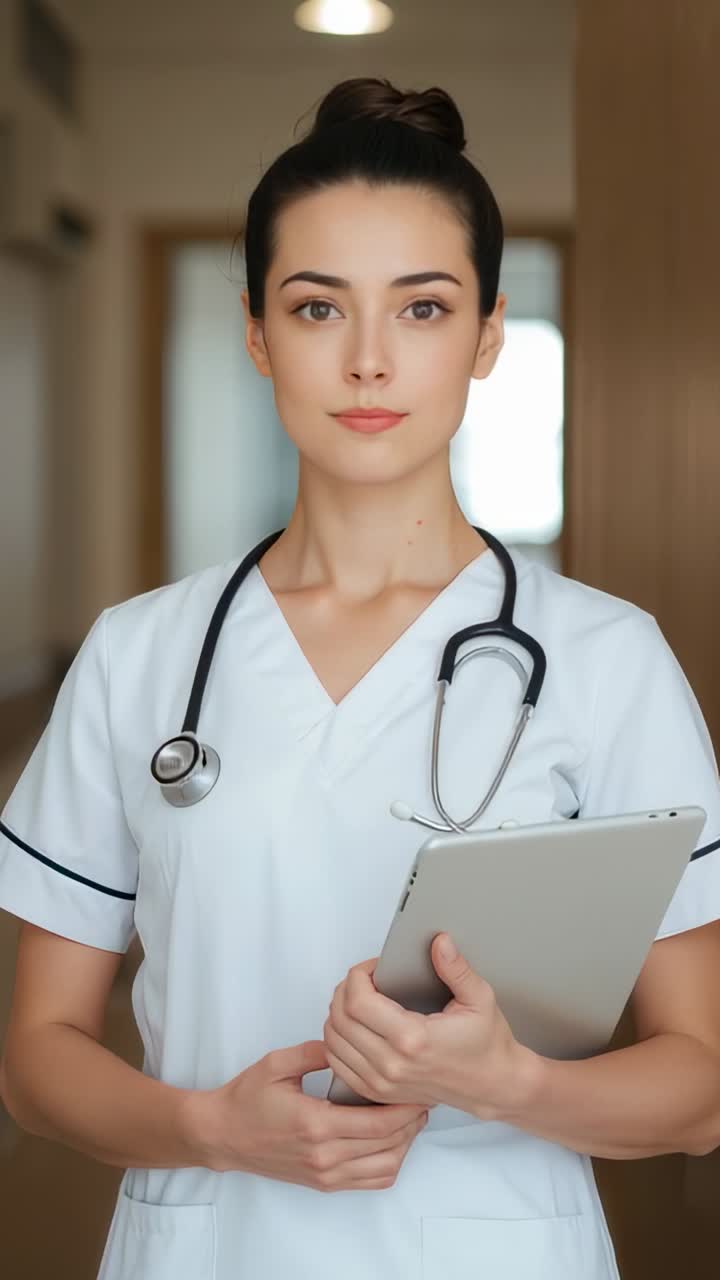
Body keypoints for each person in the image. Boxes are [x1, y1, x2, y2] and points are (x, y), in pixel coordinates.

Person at [1, 76, 719, 1280]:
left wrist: (512, 1081)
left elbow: (699, 1083)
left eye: (424, 308)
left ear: (488, 335)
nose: (372, 360)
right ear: (256, 330)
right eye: (319, 307)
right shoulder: (141, 656)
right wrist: (208, 1126)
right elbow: (35, 1056)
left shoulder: (606, 658)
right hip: (202, 1249)